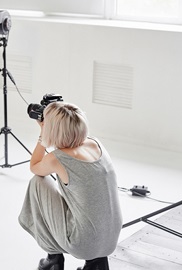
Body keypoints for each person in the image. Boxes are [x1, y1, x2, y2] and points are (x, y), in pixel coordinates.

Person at [18, 101, 123, 270]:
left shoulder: (58, 158)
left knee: (38, 182)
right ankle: (96, 265)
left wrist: (43, 134)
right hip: (111, 240)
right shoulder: (95, 143)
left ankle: (53, 259)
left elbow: (34, 167)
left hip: (83, 244)